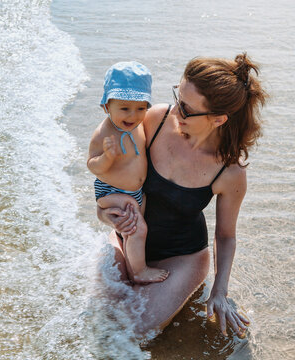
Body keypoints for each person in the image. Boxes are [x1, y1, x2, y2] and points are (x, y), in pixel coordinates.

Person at [97, 53, 267, 337]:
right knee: (101, 320)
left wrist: (219, 292)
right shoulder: (155, 119)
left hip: (181, 258)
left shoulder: (230, 172)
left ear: (218, 119)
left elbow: (225, 236)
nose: (176, 111)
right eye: (178, 97)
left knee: (135, 331)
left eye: (187, 109)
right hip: (125, 241)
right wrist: (104, 214)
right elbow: (111, 179)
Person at [87, 61, 169, 284]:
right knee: (137, 228)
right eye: (124, 108)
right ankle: (139, 272)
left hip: (136, 191)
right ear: (106, 106)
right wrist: (107, 157)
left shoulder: (137, 125)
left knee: (133, 227)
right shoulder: (103, 134)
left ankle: (127, 254)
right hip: (112, 190)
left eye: (141, 108)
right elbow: (92, 166)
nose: (133, 115)